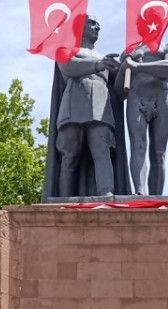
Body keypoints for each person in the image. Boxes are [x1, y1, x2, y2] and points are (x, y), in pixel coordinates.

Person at [45, 16, 125, 198]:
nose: (98, 27)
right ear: (79, 26)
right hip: (72, 107)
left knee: (102, 149)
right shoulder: (65, 50)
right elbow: (67, 68)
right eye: (93, 23)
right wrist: (98, 65)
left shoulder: (105, 59)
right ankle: (64, 199)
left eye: (98, 24)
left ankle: (106, 193)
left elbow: (119, 90)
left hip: (101, 107)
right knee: (70, 155)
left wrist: (126, 68)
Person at [119, 41, 168, 195]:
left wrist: (138, 67)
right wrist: (123, 68)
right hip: (136, 96)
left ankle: (157, 197)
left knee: (159, 152)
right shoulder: (130, 50)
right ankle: (140, 192)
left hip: (160, 97)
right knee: (138, 145)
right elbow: (119, 91)